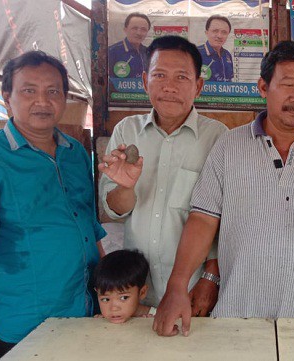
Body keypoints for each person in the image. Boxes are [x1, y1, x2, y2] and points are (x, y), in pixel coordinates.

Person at [153, 40, 294, 336]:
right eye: (288, 84)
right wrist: (177, 286)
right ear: (263, 87)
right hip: (237, 315)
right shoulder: (228, 146)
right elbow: (202, 220)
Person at [0, 51, 106, 360]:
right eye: (29, 90)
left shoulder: (75, 154)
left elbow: (88, 227)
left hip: (82, 313)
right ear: (7, 97)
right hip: (20, 324)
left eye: (53, 91)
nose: (42, 101)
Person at [99, 36, 227, 315]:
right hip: (137, 289)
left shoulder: (218, 137)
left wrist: (210, 278)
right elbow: (116, 211)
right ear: (145, 81)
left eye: (182, 77)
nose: (169, 87)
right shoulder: (126, 132)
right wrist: (125, 187)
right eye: (159, 75)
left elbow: (225, 218)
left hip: (194, 287)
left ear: (199, 86)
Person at [94, 250, 155, 323]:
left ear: (142, 293)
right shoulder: (100, 320)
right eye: (105, 299)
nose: (114, 308)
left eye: (123, 298)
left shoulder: (158, 316)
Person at [108, 12, 151, 79]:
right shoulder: (111, 52)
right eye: (134, 28)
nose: (139, 33)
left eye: (143, 29)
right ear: (125, 30)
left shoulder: (149, 53)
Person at [197, 15, 234, 82]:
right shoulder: (195, 54)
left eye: (224, 32)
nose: (219, 36)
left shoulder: (227, 55)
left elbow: (230, 80)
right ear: (206, 32)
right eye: (215, 31)